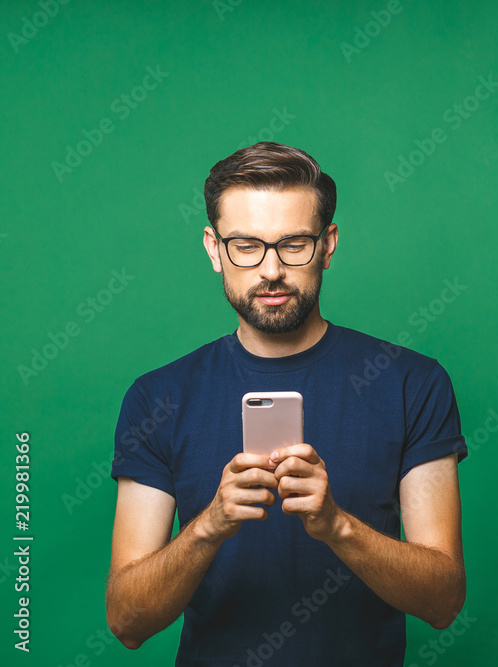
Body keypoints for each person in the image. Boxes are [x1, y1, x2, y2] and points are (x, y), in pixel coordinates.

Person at [105, 142, 468, 666]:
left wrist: (337, 526)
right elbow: (127, 621)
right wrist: (210, 525)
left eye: (294, 243)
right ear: (213, 248)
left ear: (327, 245)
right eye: (245, 245)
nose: (271, 270)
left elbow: (443, 601)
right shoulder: (157, 398)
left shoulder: (413, 383)